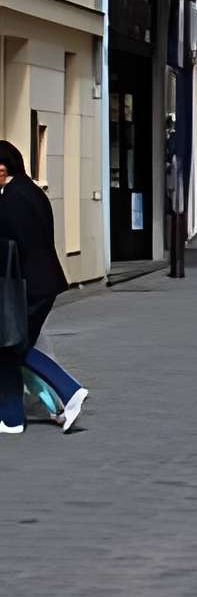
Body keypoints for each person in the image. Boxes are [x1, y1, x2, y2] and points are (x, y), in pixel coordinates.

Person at [0, 141, 87, 435]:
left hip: (28, 287)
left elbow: (13, 245)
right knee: (13, 349)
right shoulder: (32, 191)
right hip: (42, 282)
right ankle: (13, 418)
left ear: (2, 168)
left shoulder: (12, 199)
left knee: (12, 348)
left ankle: (68, 392)